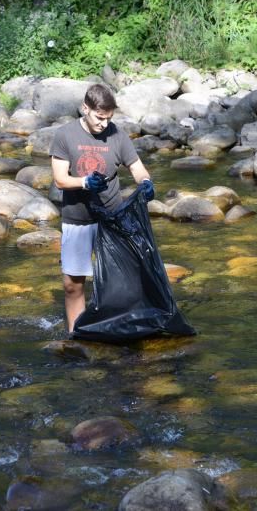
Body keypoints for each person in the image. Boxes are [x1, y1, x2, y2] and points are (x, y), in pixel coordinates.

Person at [50, 83, 156, 333]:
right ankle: (76, 334)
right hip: (78, 218)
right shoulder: (66, 135)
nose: (104, 124)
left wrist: (147, 182)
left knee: (124, 279)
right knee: (73, 284)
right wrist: (84, 182)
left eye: (109, 118)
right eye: (99, 118)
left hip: (112, 219)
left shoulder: (116, 135)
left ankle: (123, 328)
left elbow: (137, 168)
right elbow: (60, 179)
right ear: (84, 109)